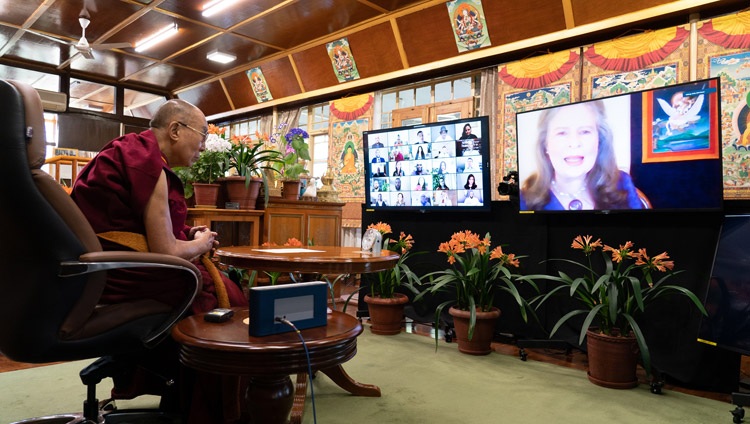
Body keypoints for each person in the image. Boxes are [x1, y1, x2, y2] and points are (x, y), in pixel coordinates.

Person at [72, 99, 247, 314]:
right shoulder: (149, 165)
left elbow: (134, 224)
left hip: (99, 267)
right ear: (175, 130)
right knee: (214, 286)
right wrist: (203, 244)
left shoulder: (134, 150)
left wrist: (187, 233)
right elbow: (166, 250)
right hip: (123, 273)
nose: (203, 147)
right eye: (203, 136)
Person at [519, 100, 643, 211]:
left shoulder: (622, 183)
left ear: (599, 141)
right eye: (562, 133)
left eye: (585, 132)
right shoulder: (523, 202)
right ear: (545, 144)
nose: (574, 143)